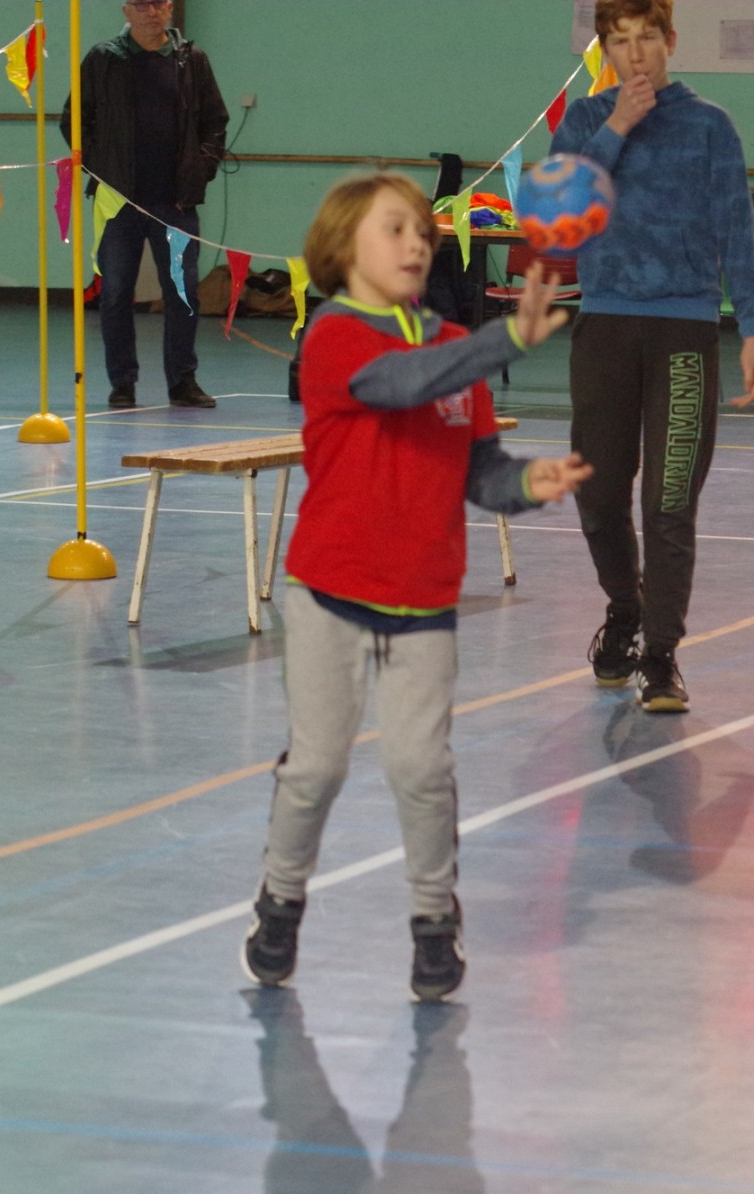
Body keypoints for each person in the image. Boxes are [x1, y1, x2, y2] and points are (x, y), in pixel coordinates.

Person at [239, 173, 591, 1003]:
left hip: (425, 598)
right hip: (329, 592)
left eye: (422, 232)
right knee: (315, 768)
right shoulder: (332, 336)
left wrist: (525, 483)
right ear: (342, 247)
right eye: (393, 229)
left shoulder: (454, 343)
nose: (415, 244)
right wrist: (509, 338)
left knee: (420, 767)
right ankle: (280, 900)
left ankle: (435, 918)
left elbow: (479, 468)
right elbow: (402, 383)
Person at [551, 0, 754, 714]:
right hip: (606, 326)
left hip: (684, 330)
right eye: (620, 41)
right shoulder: (584, 121)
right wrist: (617, 126)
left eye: (647, 38)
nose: (636, 53)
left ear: (670, 40)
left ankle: (661, 655)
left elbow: (735, 222)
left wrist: (752, 325)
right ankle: (626, 608)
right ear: (604, 50)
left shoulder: (709, 125)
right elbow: (558, 218)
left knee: (670, 499)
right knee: (599, 492)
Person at [61, 0, 228, 410]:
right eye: (141, 4)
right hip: (118, 203)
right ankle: (122, 383)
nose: (151, 12)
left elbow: (215, 121)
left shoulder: (192, 60)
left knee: (183, 292)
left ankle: (183, 381)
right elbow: (74, 120)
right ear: (126, 11)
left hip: (176, 203)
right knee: (116, 292)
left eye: (159, 3)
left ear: (169, 8)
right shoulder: (103, 59)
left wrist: (201, 169)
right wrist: (104, 169)